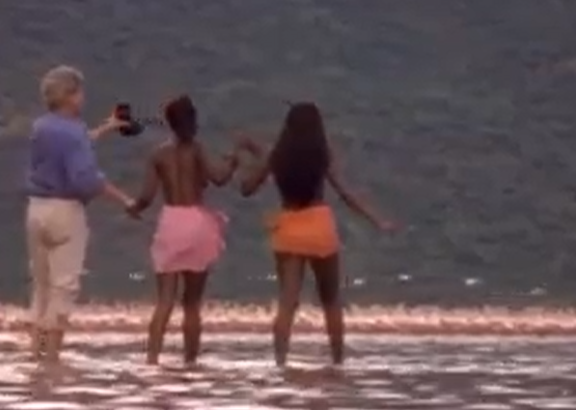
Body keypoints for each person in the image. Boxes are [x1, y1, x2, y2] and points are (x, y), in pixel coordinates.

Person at [238, 101, 398, 367]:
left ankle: (280, 362)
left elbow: (247, 188)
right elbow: (345, 193)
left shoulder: (277, 156)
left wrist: (249, 159)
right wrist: (377, 220)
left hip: (289, 228)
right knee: (331, 301)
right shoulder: (322, 154)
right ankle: (337, 361)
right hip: (319, 226)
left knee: (287, 303)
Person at [24, 65, 135, 362]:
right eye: (80, 92)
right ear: (70, 96)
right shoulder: (74, 133)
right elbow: (86, 179)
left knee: (42, 288)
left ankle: (36, 355)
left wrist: (106, 128)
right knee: (63, 288)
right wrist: (125, 200)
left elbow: (71, 143)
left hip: (36, 209)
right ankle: (51, 359)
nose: (83, 97)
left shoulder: (41, 127)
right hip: (65, 210)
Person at [127, 95, 238, 365]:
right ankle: (190, 362)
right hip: (198, 223)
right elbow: (219, 178)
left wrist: (134, 208)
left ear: (169, 123)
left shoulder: (158, 154)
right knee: (191, 304)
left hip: (171, 222)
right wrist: (233, 162)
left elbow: (147, 196)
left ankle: (152, 360)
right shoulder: (197, 150)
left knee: (164, 301)